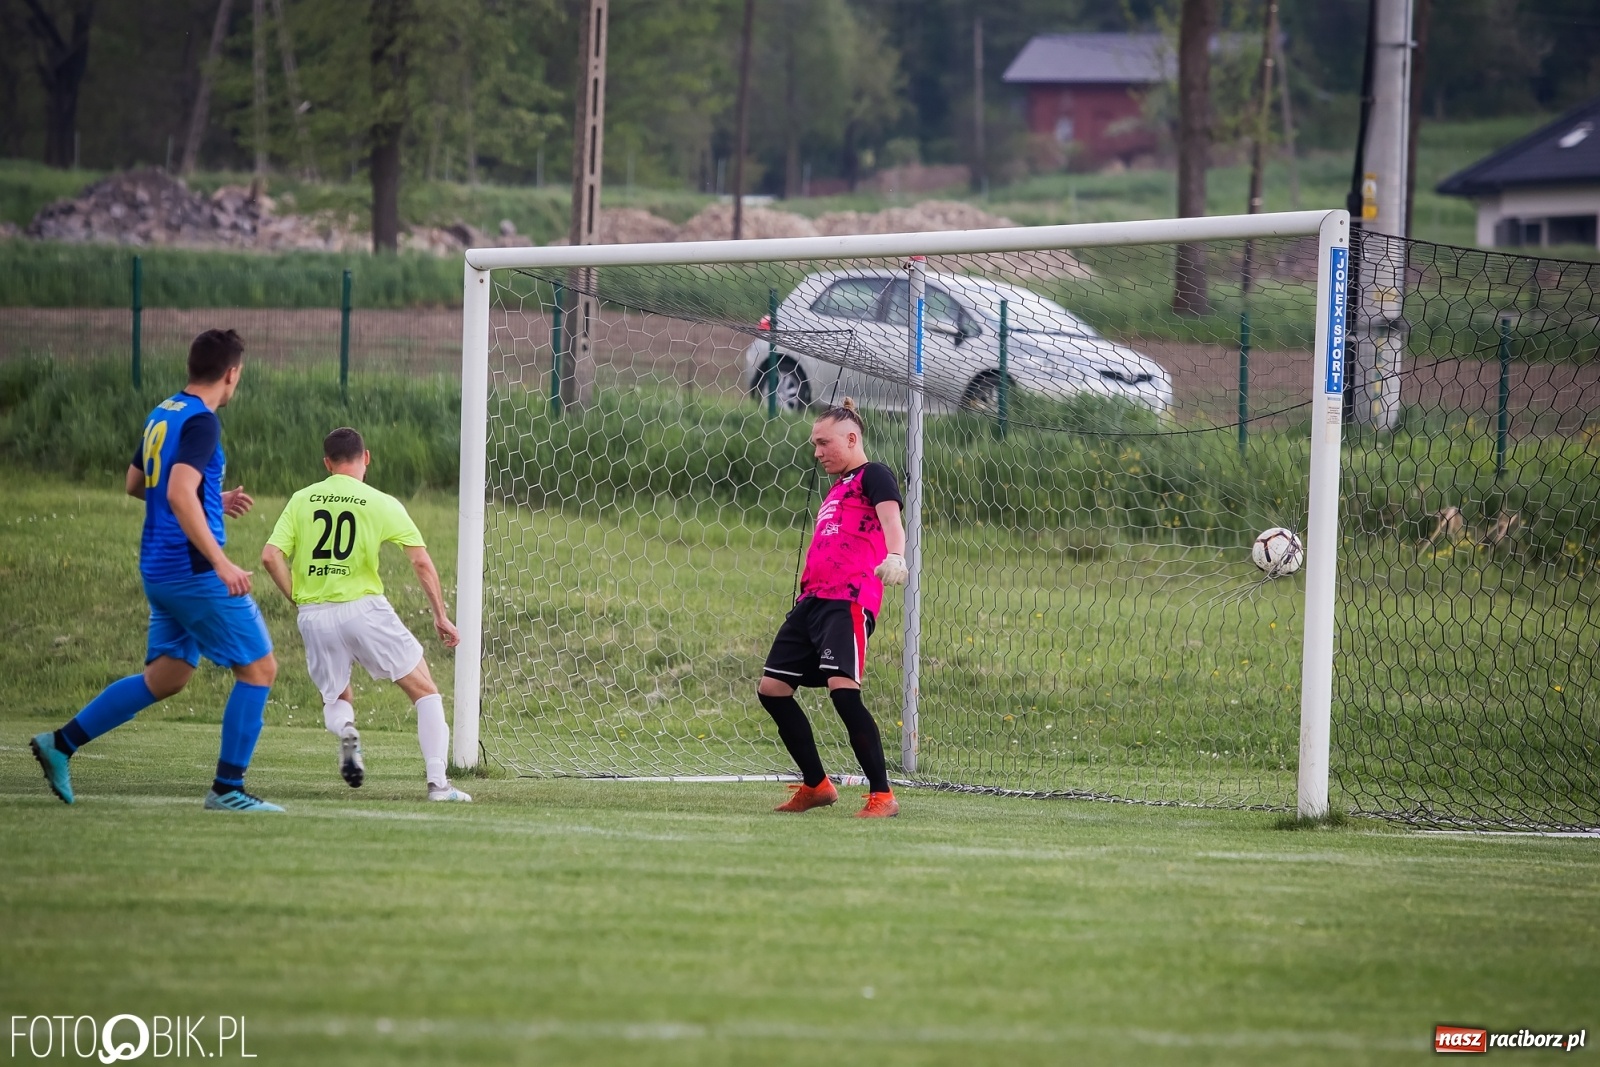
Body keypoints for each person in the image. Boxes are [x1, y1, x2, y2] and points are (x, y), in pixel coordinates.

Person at [30, 328, 282, 812]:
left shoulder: (163, 412)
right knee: (259, 668)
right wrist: (222, 560)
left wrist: (212, 498)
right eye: (239, 376)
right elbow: (176, 493)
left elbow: (135, 482)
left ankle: (59, 744)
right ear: (231, 374)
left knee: (167, 676)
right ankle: (227, 788)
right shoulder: (203, 423)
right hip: (193, 573)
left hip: (159, 570)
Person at [260, 427, 470, 802]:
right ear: (366, 458)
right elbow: (420, 561)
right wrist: (440, 615)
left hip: (314, 615)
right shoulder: (380, 502)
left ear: (327, 463)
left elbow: (269, 556)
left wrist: (297, 597)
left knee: (336, 698)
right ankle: (439, 785)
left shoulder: (301, 499)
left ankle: (347, 734)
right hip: (363, 609)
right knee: (425, 692)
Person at [759, 397, 908, 818]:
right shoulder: (836, 488)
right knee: (772, 690)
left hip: (848, 601)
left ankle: (883, 796)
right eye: (814, 445)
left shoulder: (874, 474)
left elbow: (893, 522)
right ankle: (817, 786)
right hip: (812, 602)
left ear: (851, 437)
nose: (817, 452)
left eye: (824, 443)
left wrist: (896, 556)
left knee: (844, 694)